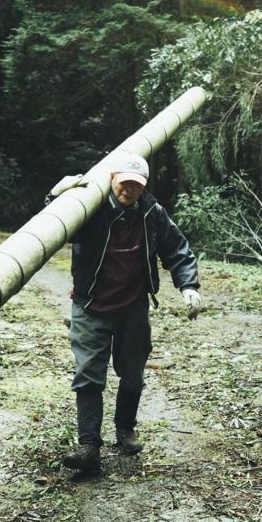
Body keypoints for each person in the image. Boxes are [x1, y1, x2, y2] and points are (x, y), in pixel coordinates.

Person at [46, 154, 202, 477]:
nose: (128, 190)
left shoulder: (151, 213)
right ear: (112, 178)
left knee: (133, 370)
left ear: (143, 187)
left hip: (133, 305)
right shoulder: (89, 208)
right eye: (124, 182)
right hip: (91, 304)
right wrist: (54, 196)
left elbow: (177, 249)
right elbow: (50, 225)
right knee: (88, 372)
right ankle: (89, 446)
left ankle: (125, 429)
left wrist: (188, 286)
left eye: (136, 185)